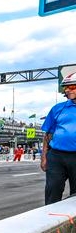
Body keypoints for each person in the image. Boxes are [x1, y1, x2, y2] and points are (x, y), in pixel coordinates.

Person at [41, 72, 76, 205]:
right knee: (52, 191)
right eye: (65, 88)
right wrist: (44, 157)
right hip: (56, 156)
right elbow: (48, 135)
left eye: (71, 87)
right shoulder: (58, 109)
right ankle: (48, 220)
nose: (67, 90)